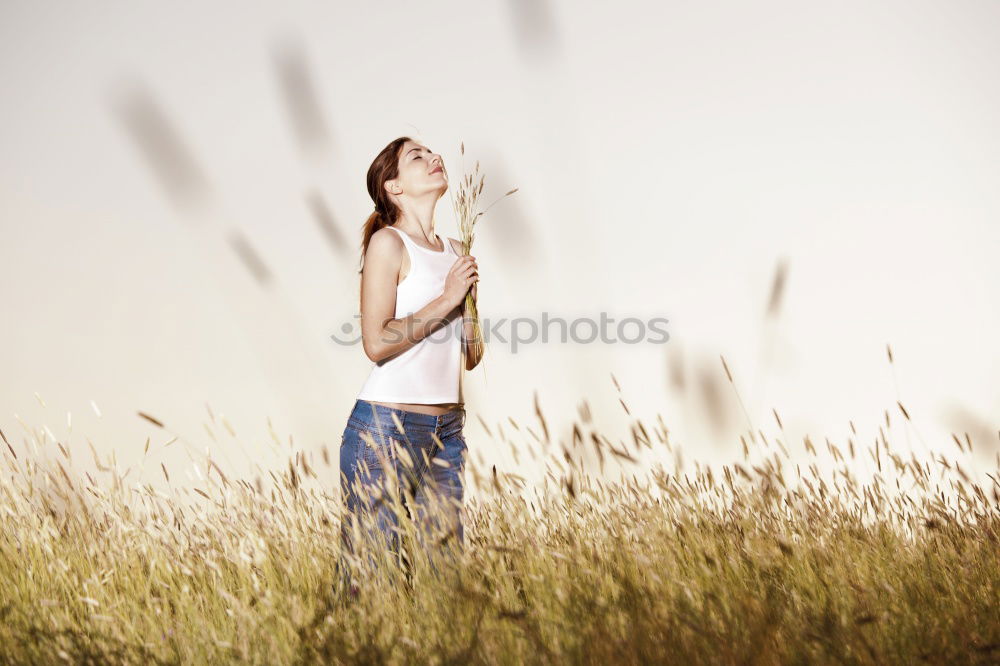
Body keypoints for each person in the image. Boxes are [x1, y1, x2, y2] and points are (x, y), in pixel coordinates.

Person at [336, 137, 482, 599]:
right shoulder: (388, 243)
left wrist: (469, 305)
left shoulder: (457, 249)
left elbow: (471, 356)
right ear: (393, 186)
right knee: (375, 577)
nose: (434, 157)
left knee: (445, 580)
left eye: (432, 152)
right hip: (385, 429)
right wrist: (447, 298)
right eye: (417, 156)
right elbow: (376, 342)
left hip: (447, 430)